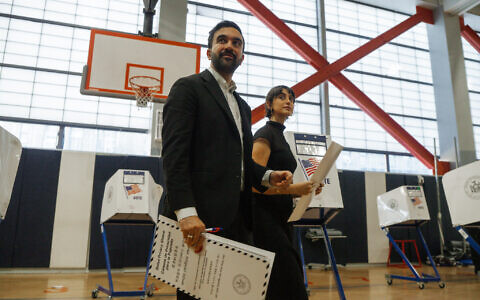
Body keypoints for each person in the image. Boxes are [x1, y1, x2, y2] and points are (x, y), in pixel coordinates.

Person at [161, 21, 293, 300]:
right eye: (223, 40)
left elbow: (242, 162)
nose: (229, 46)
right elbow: (174, 155)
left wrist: (269, 177)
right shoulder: (189, 88)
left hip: (239, 220)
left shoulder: (243, 107)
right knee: (196, 294)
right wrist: (185, 212)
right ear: (209, 49)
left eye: (237, 43)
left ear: (242, 57)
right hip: (199, 218)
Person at [251, 85, 323, 300]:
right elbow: (256, 185)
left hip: (282, 216)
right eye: (281, 97)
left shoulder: (281, 137)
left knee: (279, 280)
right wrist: (296, 189)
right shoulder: (264, 134)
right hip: (264, 218)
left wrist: (304, 190)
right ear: (268, 104)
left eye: (291, 98)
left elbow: (280, 188)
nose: (288, 101)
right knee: (289, 277)